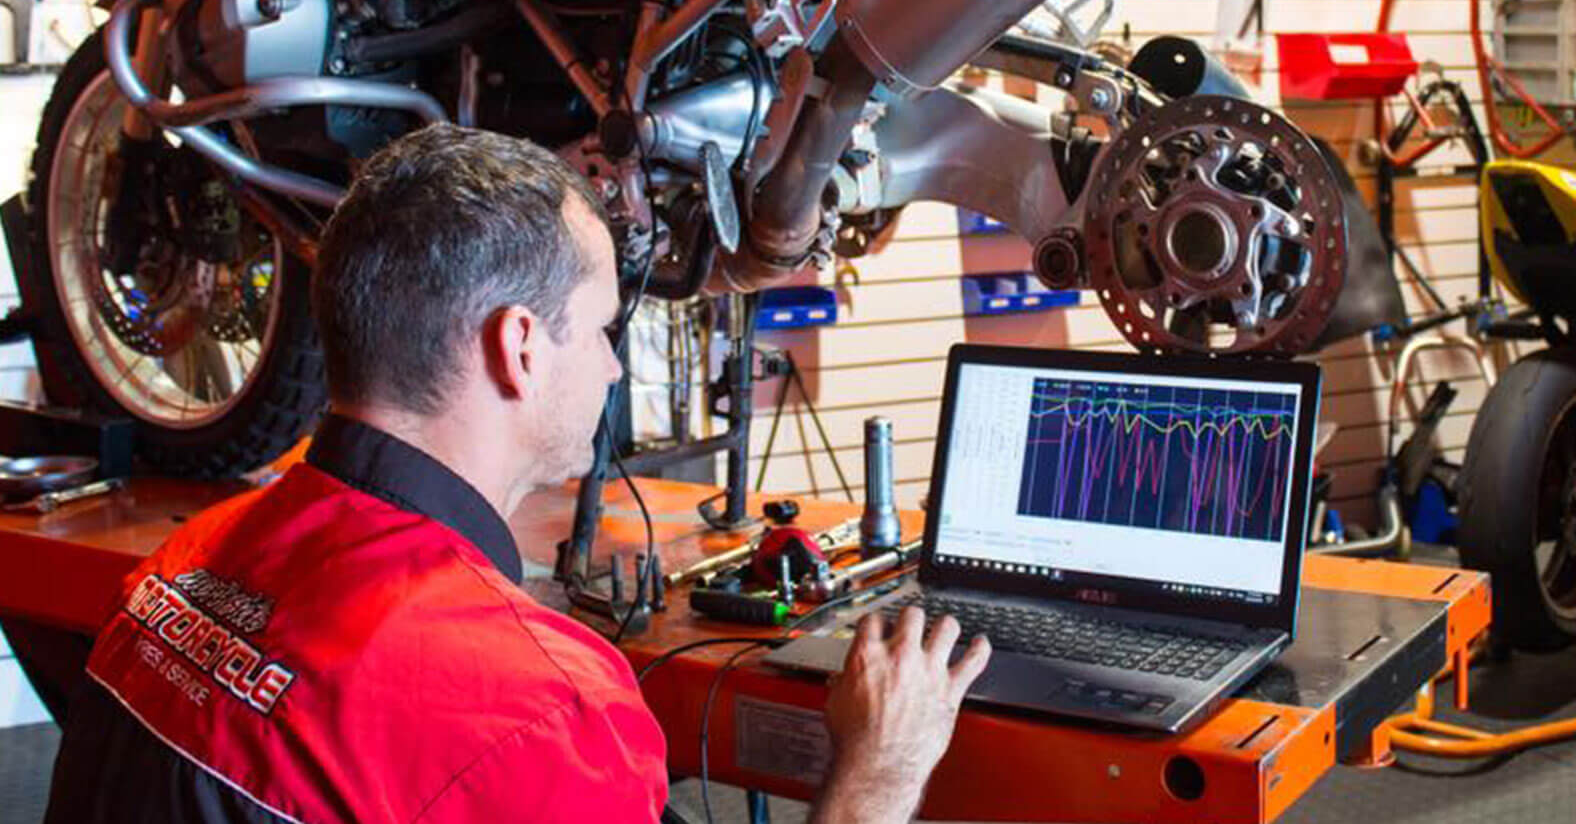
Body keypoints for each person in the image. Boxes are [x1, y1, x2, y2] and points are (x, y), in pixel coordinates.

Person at [46, 124, 990, 823]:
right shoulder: (541, 708)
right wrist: (881, 767)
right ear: (520, 348)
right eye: (606, 328)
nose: (616, 366)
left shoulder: (186, 563)